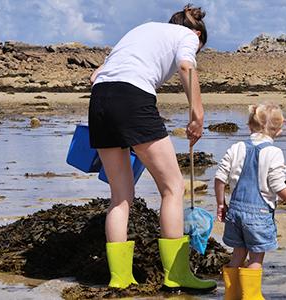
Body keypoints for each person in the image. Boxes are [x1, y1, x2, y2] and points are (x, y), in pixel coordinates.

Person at [88, 4, 216, 292]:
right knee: (173, 187)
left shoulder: (143, 29)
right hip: (132, 97)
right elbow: (185, 66)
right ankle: (176, 275)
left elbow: (96, 75)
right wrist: (197, 115)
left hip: (100, 99)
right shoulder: (188, 36)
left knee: (120, 195)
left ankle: (120, 278)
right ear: (196, 34)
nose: (196, 50)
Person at [214, 103, 286, 299]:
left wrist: (221, 203)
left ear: (249, 126)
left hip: (234, 212)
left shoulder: (236, 148)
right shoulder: (274, 152)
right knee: (256, 258)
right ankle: (251, 296)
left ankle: (231, 296)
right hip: (258, 216)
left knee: (237, 254)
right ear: (278, 130)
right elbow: (278, 186)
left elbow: (219, 178)